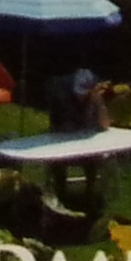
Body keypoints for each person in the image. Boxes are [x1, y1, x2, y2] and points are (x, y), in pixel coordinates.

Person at [44, 67, 111, 210]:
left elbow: (105, 125)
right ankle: (61, 193)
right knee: (56, 159)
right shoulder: (62, 99)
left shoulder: (93, 100)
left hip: (87, 147)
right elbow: (55, 129)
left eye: (85, 93)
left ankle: (90, 194)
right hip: (65, 143)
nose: (81, 97)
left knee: (94, 158)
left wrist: (99, 102)